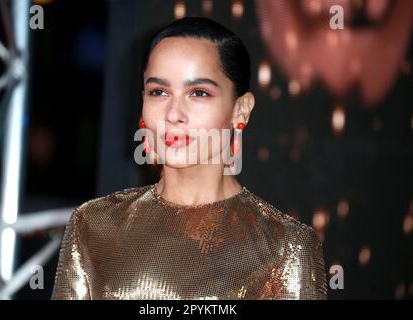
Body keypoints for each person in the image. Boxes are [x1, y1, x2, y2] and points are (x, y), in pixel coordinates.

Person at [51, 17, 327, 300]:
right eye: (158, 92)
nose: (173, 113)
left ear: (241, 110)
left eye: (198, 93)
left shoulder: (286, 246)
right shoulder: (93, 225)